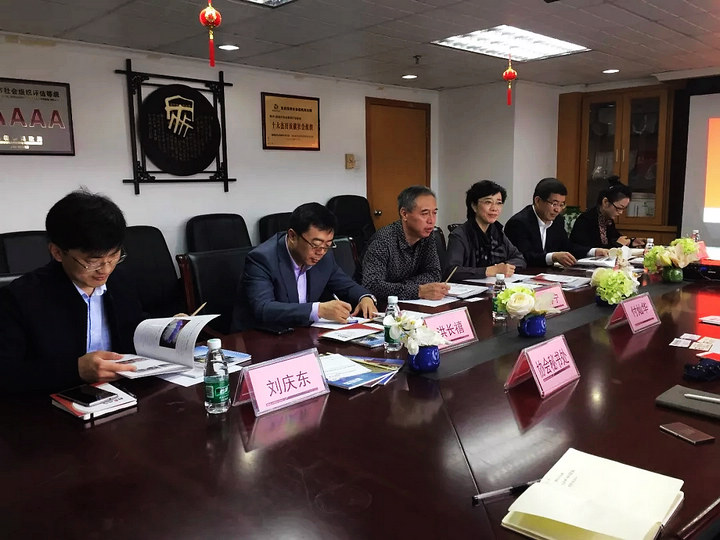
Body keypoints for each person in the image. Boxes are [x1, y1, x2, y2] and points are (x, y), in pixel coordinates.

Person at [0, 189, 143, 393]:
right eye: (92, 261)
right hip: (53, 401)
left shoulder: (121, 281)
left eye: (114, 256)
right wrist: (75, 370)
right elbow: (7, 373)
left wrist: (166, 329)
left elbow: (133, 331)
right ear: (57, 252)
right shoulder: (21, 298)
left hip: (123, 393)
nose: (105, 269)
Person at [233, 202, 377, 331]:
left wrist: (364, 297)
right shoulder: (262, 259)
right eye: (316, 244)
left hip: (302, 334)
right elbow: (264, 308)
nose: (321, 252)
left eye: (327, 245)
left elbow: (346, 285)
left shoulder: (325, 255)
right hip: (261, 337)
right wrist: (318, 310)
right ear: (292, 236)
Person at [362, 185, 449, 301]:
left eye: (434, 213)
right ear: (404, 214)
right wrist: (418, 290)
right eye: (424, 213)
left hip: (410, 303)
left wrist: (405, 287)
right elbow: (372, 285)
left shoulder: (428, 235)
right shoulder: (382, 241)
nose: (431, 220)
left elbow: (434, 273)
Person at [505, 177, 609, 267]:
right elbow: (524, 257)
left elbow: (567, 247)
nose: (558, 210)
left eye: (561, 204)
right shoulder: (519, 223)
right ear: (538, 201)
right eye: (554, 204)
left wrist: (593, 251)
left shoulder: (557, 220)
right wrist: (553, 257)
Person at [445, 180, 526, 281]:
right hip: (470, 288)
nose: (494, 208)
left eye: (499, 203)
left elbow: (519, 259)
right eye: (488, 202)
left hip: (494, 286)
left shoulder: (497, 232)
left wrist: (503, 267)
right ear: (474, 206)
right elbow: (451, 271)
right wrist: (487, 271)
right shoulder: (459, 235)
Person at [570, 176, 645, 249]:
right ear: (605, 202)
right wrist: (616, 244)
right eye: (618, 208)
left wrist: (632, 242)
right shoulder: (585, 220)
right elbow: (589, 249)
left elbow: (617, 239)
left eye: (624, 209)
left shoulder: (608, 219)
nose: (621, 212)